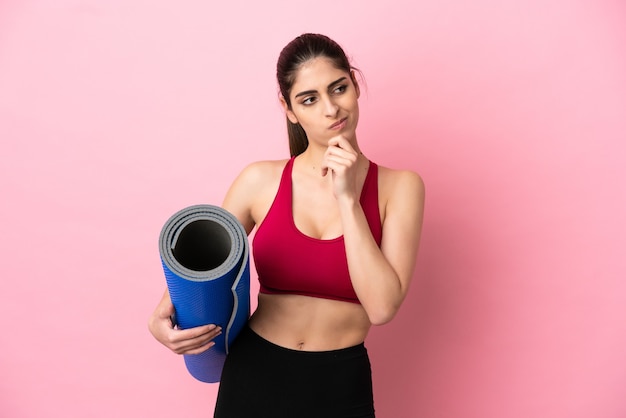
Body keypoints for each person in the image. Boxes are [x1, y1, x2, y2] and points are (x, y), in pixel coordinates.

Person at [148, 33, 425, 418]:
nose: (330, 109)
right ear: (289, 109)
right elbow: (201, 269)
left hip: (340, 384)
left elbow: (381, 308)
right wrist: (163, 319)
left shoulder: (400, 187)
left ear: (355, 85)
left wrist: (348, 199)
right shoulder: (259, 181)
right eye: (309, 99)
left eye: (338, 88)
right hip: (254, 374)